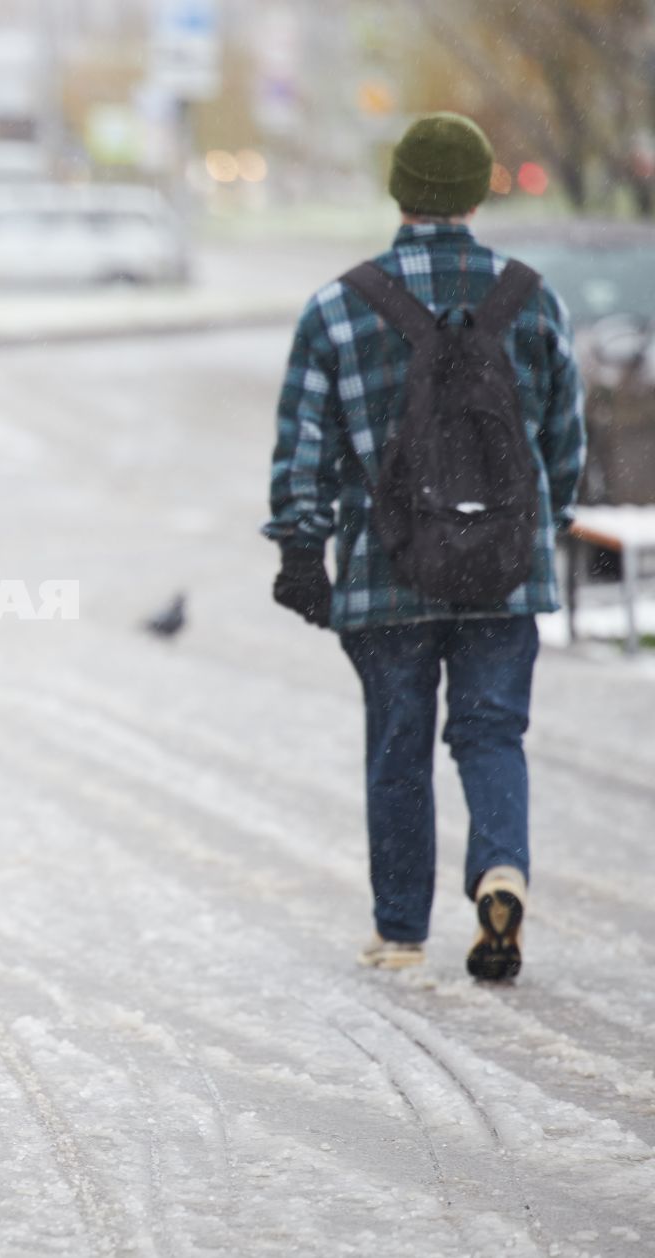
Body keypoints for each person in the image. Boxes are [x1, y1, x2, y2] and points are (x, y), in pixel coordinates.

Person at [264, 112, 586, 979]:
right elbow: (566, 437)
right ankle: (502, 871)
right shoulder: (530, 296)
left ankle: (402, 931)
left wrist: (302, 549)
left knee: (398, 748)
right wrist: (531, 534)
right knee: (491, 733)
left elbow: (306, 444)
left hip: (384, 570)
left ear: (401, 190)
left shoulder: (340, 305)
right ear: (478, 191)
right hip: (505, 575)